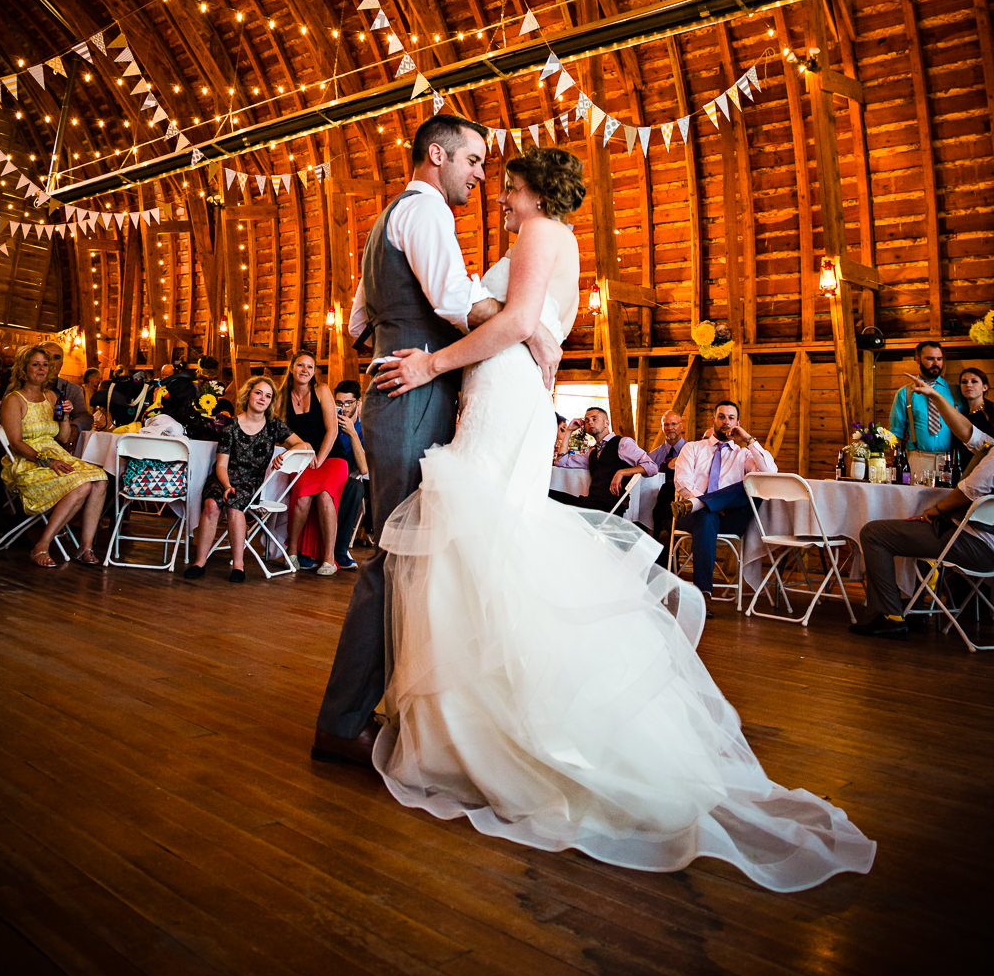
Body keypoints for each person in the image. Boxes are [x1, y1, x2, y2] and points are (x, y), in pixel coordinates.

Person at [361, 146, 873, 890]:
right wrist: (527, 337)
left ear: (536, 189)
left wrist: (439, 364)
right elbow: (524, 323)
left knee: (483, 537)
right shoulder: (539, 238)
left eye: (507, 187)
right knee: (478, 541)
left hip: (504, 396)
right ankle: (464, 724)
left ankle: (496, 732)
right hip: (503, 395)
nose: (499, 197)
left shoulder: (542, 233)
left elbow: (515, 324)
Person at [311, 113, 562, 765]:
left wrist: (399, 336)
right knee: (397, 561)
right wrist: (521, 325)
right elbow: (452, 297)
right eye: (473, 161)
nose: (481, 175)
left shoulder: (385, 219)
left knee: (408, 560)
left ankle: (390, 708)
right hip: (414, 395)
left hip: (403, 392)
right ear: (436, 155)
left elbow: (359, 318)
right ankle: (343, 725)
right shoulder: (425, 212)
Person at [852, 374, 994, 637]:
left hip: (978, 544)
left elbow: (970, 490)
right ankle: (916, 604)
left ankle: (891, 615)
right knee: (915, 532)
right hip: (978, 541)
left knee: (874, 533)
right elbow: (967, 432)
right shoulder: (990, 446)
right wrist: (935, 395)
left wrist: (935, 511)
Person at [184, 376, 308, 583]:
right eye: (258, 393)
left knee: (234, 506)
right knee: (212, 504)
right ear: (248, 394)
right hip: (224, 477)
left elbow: (304, 446)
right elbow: (221, 465)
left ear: (270, 402)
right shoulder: (231, 426)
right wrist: (226, 485)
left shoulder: (273, 426)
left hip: (251, 481)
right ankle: (200, 561)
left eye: (268, 396)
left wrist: (284, 456)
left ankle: (238, 566)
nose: (262, 398)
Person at [0, 343, 109, 567]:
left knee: (100, 479)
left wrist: (66, 417)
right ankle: (42, 544)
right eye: (35, 365)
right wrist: (46, 460)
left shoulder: (50, 396)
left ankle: (85, 547)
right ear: (23, 368)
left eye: (45, 365)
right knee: (82, 485)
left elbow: (63, 437)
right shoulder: (14, 400)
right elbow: (16, 443)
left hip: (56, 454)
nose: (41, 369)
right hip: (29, 461)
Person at [672, 402, 776, 604]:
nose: (725, 421)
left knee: (753, 486)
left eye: (730, 418)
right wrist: (707, 507)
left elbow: (770, 474)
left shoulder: (743, 454)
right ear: (713, 420)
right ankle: (704, 594)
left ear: (738, 423)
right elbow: (682, 483)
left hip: (728, 517)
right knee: (706, 515)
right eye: (721, 417)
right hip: (692, 517)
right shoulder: (692, 448)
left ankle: (704, 503)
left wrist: (749, 440)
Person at [274, 351, 349, 577]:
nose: (305, 370)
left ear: (314, 371)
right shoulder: (281, 397)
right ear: (292, 368)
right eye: (300, 365)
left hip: (332, 457)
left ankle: (328, 558)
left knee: (325, 495)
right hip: (302, 457)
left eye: (310, 367)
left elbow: (333, 430)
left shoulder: (322, 391)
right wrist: (303, 452)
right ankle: (293, 551)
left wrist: (320, 458)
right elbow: (279, 432)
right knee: (303, 497)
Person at [888, 341, 955, 476]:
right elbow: (896, 434)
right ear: (917, 359)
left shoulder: (955, 392)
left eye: (939, 359)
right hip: (917, 458)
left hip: (951, 459)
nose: (936, 363)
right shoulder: (905, 393)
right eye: (930, 359)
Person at [329, 380, 369, 570]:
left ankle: (340, 551)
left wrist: (352, 433)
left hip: (346, 481)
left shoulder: (365, 429)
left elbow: (364, 469)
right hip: (326, 475)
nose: (343, 408)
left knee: (357, 487)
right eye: (338, 403)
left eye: (347, 403)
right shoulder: (329, 423)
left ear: (357, 403)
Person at [649, 410, 686, 559]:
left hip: (682, 503)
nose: (670, 428)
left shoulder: (691, 451)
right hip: (654, 502)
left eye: (673, 424)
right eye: (666, 425)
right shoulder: (653, 455)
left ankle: (664, 555)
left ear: (681, 426)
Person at [41, 339, 94, 433]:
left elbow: (85, 417)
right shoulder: (20, 387)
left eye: (56, 357)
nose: (52, 362)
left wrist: (74, 428)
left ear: (62, 362)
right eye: (47, 357)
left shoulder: (72, 390)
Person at [954, 367, 994, 480]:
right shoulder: (961, 416)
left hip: (988, 474)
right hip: (964, 475)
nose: (968, 385)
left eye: (974, 381)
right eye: (964, 382)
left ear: (985, 387)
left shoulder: (991, 412)